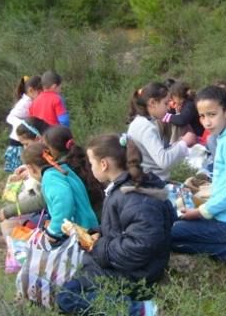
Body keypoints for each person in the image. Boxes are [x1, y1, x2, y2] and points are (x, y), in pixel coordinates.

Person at [56, 134, 173, 315]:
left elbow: (141, 245)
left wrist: (98, 246)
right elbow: (120, 227)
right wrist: (95, 233)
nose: (91, 168)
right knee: (71, 281)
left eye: (91, 163)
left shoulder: (133, 196)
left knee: (66, 296)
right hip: (127, 265)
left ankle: (140, 309)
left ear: (104, 164)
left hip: (138, 273)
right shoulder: (126, 188)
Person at [171, 86, 226, 270]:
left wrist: (200, 212)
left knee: (166, 234)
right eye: (202, 116)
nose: (207, 122)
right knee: (175, 222)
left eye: (212, 114)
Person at [21, 143, 98, 244]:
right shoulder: (61, 169)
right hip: (88, 223)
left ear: (30, 168)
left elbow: (64, 203)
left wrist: (52, 231)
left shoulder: (50, 178)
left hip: (81, 231)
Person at [127, 82, 197, 181]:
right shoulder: (145, 127)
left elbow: (156, 154)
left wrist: (177, 145)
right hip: (153, 183)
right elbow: (164, 161)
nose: (169, 108)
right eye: (165, 103)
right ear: (152, 103)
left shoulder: (142, 122)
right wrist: (184, 143)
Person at [43, 126, 105, 221]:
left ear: (53, 149)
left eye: (47, 148)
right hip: (103, 209)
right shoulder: (86, 156)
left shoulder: (60, 170)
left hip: (88, 221)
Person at [4, 76, 42, 172]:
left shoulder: (31, 101)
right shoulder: (24, 103)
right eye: (40, 92)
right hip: (17, 142)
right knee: (19, 170)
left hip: (24, 140)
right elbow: (10, 118)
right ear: (31, 91)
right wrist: (24, 125)